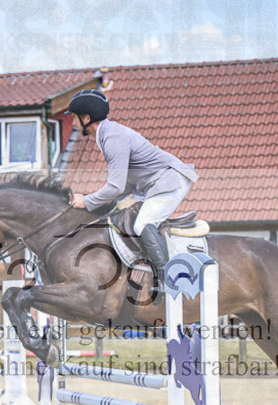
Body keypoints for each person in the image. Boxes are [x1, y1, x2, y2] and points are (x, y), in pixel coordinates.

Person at [66, 89, 197, 283]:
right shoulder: (108, 134)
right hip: (155, 183)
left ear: (86, 118)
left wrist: (86, 200)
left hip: (169, 180)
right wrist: (104, 200)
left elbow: (116, 187)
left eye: (75, 118)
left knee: (142, 224)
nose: (73, 123)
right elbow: (124, 184)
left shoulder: (112, 138)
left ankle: (167, 279)